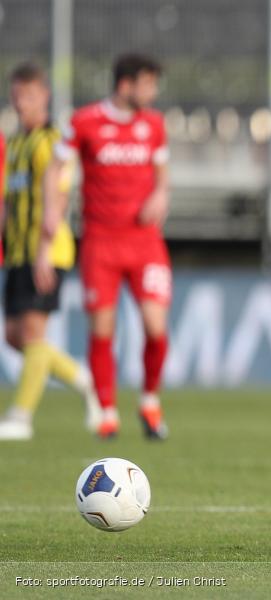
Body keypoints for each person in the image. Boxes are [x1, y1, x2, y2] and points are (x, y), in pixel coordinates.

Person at [42, 53, 171, 440]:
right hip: (101, 241)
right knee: (103, 329)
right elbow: (55, 168)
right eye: (148, 84)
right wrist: (51, 213)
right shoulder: (84, 121)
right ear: (125, 85)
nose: (153, 93)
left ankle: (150, 402)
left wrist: (161, 195)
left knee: (156, 327)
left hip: (145, 242)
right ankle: (107, 412)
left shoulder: (154, 125)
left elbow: (163, 175)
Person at [0, 62, 100, 441]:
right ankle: (81, 378)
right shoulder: (16, 143)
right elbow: (8, 201)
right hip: (18, 252)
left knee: (32, 331)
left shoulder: (53, 142)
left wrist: (43, 249)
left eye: (28, 95)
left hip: (47, 251)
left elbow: (58, 198)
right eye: (16, 95)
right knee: (14, 337)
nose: (20, 102)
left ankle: (21, 417)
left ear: (44, 95)